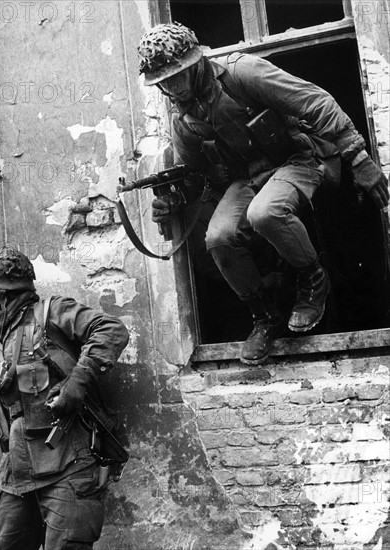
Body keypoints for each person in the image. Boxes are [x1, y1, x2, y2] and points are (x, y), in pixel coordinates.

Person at [137, 22, 389, 364]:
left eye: (175, 76)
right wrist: (174, 199)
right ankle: (264, 316)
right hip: (248, 177)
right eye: (162, 82)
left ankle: (313, 280)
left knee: (265, 212)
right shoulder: (184, 120)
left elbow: (317, 102)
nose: (170, 87)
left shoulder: (242, 72)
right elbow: (198, 176)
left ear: (195, 63)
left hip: (297, 158)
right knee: (218, 236)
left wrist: (358, 158)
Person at [0, 246, 129, 550]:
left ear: (4, 292)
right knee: (6, 544)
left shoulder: (50, 313)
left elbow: (111, 330)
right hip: (18, 466)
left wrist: (76, 382)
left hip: (67, 460)